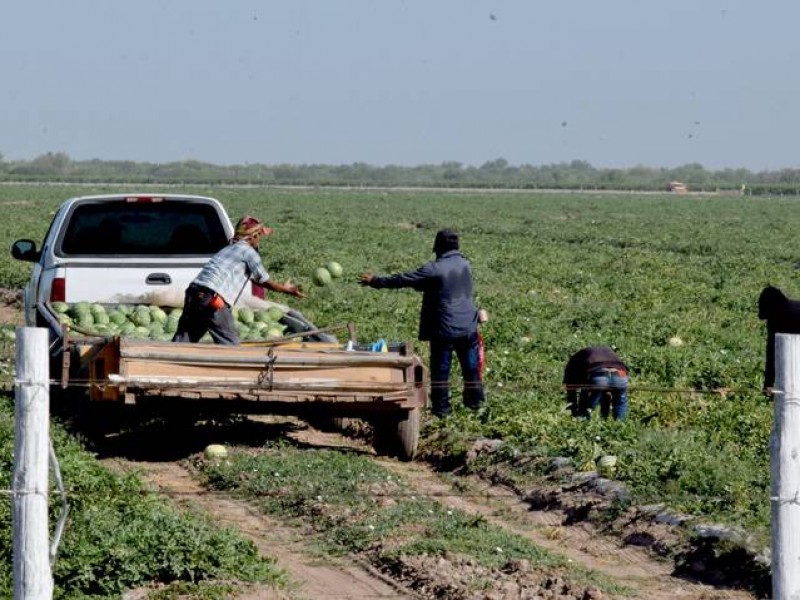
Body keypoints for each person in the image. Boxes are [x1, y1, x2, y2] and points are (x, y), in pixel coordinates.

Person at [359, 229, 485, 417]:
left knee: (441, 373)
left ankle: (442, 412)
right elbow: (435, 284)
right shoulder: (466, 264)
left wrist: (376, 281)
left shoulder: (433, 269)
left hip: (445, 329)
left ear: (437, 246)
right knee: (471, 370)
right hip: (469, 327)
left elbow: (403, 280)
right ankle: (476, 408)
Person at [172, 215, 303, 345]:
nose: (259, 240)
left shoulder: (228, 249)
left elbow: (253, 278)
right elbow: (263, 280)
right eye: (259, 236)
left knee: (184, 339)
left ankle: (164, 363)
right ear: (253, 236)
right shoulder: (248, 252)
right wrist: (286, 290)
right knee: (230, 343)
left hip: (194, 292)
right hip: (212, 298)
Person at [563, 346, 629, 421]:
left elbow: (571, 391)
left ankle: (582, 422)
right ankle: (619, 425)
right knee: (620, 402)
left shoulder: (573, 363)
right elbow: (606, 392)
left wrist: (573, 414)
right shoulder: (608, 351)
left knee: (585, 401)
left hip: (599, 374)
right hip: (620, 375)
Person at [758, 286, 800, 396]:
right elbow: (771, 352)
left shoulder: (777, 318)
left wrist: (768, 384)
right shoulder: (776, 317)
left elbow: (771, 353)